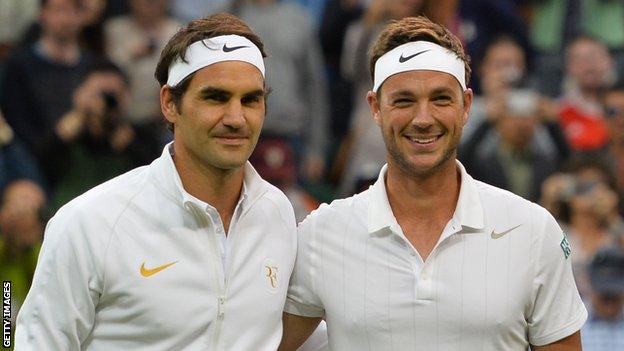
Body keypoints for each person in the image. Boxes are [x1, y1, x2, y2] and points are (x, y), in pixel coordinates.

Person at [280, 16, 587, 350]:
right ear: (376, 108)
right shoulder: (322, 234)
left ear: (466, 106)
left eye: (440, 99)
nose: (423, 119)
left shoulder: (532, 229)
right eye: (404, 100)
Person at [15, 13, 297, 350]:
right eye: (216, 97)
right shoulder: (89, 223)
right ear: (169, 104)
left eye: (251, 99)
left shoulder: (278, 212)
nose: (236, 118)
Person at [581, 246, 624, 351]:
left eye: (614, 294)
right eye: (604, 294)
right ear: (589, 283)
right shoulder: (575, 321)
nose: (609, 299)